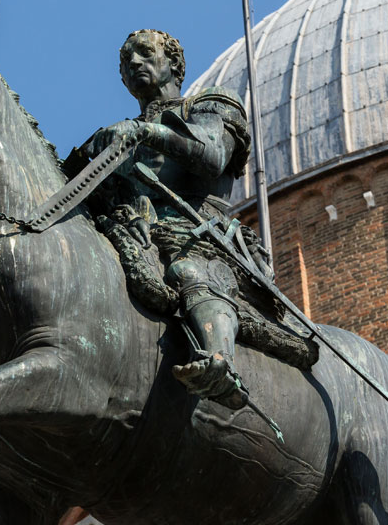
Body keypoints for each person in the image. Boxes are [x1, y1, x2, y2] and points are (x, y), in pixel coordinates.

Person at [81, 29, 262, 409]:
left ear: (174, 64)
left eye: (145, 53)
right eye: (125, 61)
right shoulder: (110, 136)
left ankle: (220, 362)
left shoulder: (212, 106)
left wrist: (145, 132)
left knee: (188, 271)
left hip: (197, 232)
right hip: (133, 229)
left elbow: (211, 154)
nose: (133, 63)